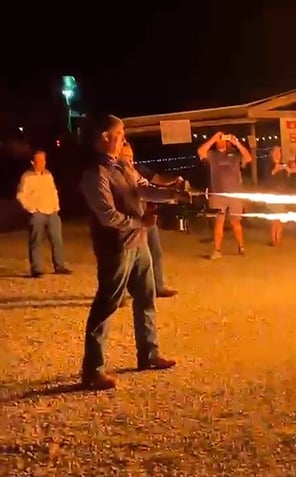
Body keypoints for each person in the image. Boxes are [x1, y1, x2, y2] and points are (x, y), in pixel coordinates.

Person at [78, 114, 189, 390]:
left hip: (138, 243)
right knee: (107, 304)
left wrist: (173, 193)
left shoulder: (123, 166)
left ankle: (148, 354)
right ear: (105, 136)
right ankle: (92, 369)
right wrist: (142, 223)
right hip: (115, 247)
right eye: (120, 132)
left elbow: (144, 189)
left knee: (146, 297)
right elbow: (107, 216)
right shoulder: (95, 174)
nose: (124, 138)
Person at [118, 142, 180, 298]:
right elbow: (141, 192)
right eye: (126, 157)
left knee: (154, 253)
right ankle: (120, 294)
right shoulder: (114, 176)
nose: (130, 161)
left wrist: (173, 193)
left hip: (145, 217)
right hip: (129, 221)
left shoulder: (136, 172)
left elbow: (151, 188)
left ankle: (156, 287)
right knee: (125, 259)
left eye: (131, 157)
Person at [16, 149, 72, 277]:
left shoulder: (48, 174)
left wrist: (56, 207)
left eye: (44, 160)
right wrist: (31, 209)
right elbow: (20, 195)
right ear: (33, 162)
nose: (43, 163)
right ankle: (36, 269)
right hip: (38, 213)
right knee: (36, 241)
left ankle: (59, 266)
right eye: (39, 161)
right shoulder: (27, 177)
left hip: (52, 212)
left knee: (57, 240)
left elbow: (53, 191)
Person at [197, 132, 253, 259]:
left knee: (236, 223)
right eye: (219, 139)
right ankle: (217, 250)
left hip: (234, 195)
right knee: (219, 222)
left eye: (222, 139)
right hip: (217, 194)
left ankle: (241, 247)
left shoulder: (234, 155)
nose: (220, 141)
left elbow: (248, 158)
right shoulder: (212, 155)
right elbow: (200, 152)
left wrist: (237, 143)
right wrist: (213, 138)